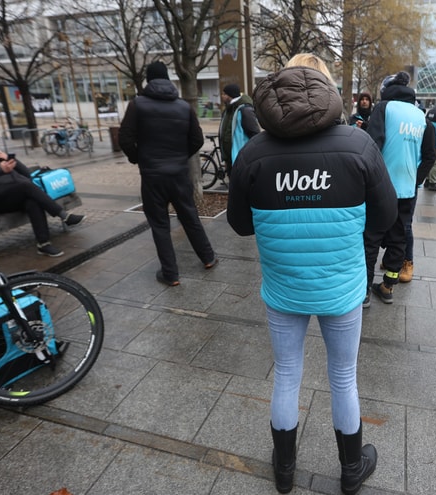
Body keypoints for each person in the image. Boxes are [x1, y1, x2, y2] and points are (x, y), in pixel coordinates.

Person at [227, 56, 396, 495]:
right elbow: (387, 213)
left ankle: (284, 472)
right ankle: (351, 469)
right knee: (343, 376)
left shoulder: (253, 153)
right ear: (327, 89)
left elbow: (241, 225)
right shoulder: (358, 145)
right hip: (342, 288)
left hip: (283, 287)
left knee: (286, 374)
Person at [118, 61, 217, 285]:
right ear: (168, 79)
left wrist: (138, 157)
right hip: (180, 174)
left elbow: (124, 138)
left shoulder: (137, 105)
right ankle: (208, 257)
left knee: (160, 224)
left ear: (148, 80)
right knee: (190, 217)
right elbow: (197, 140)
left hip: (153, 175)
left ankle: (171, 274)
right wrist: (181, 157)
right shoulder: (183, 106)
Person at [0, 129, 85, 257]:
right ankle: (63, 215)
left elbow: (26, 174)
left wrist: (7, 159)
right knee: (25, 186)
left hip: (14, 195)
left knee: (32, 202)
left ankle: (44, 244)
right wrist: (0, 169)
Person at [366, 71, 436, 301]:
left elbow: (372, 145)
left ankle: (364, 291)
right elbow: (429, 156)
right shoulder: (420, 116)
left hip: (380, 187)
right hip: (407, 189)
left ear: (386, 91)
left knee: (371, 239)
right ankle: (388, 286)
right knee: (399, 238)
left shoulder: (384, 108)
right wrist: (414, 180)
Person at [218, 83, 260, 174]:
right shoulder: (228, 109)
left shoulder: (245, 110)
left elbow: (254, 133)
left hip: (241, 158)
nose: (222, 96)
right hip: (230, 158)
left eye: (224, 94)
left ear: (230, 95)